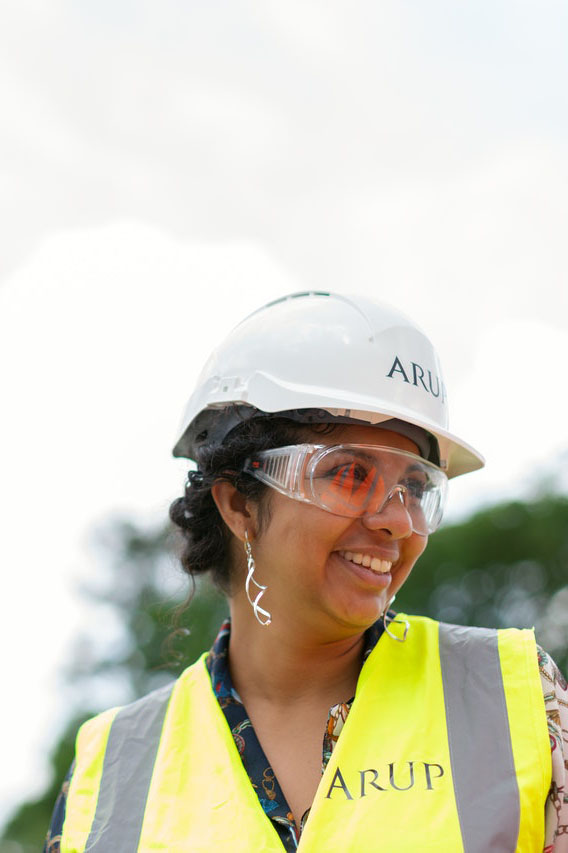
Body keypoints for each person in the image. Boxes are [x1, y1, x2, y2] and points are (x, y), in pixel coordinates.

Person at [46, 291, 567, 852]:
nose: (397, 520)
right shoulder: (110, 775)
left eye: (416, 487)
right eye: (348, 474)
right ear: (239, 505)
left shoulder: (514, 697)